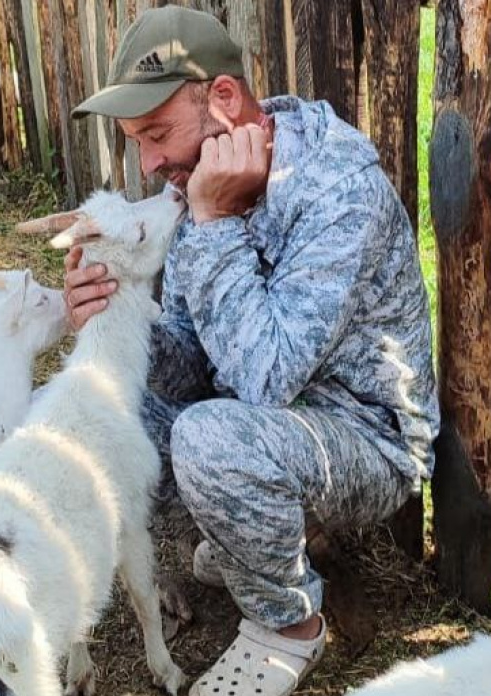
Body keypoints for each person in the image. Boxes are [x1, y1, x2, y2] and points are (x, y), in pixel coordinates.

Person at [63, 7, 439, 696]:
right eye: (136, 142)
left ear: (225, 100)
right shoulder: (191, 184)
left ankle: (286, 624)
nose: (150, 163)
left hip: (365, 441)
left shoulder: (336, 190)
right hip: (257, 425)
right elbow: (185, 362)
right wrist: (121, 311)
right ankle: (242, 544)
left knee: (208, 438)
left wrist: (210, 225)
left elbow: (266, 377)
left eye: (156, 134)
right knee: (108, 413)